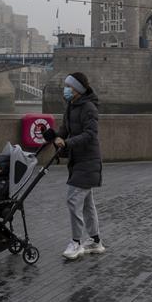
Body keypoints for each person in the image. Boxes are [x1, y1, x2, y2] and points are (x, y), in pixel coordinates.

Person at [54, 72, 105, 259]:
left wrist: (68, 143)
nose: (66, 89)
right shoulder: (71, 105)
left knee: (73, 200)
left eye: (69, 86)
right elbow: (65, 128)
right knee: (87, 204)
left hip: (88, 161)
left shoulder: (89, 108)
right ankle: (95, 241)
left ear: (78, 90)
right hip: (78, 161)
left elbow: (90, 134)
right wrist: (56, 136)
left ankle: (76, 243)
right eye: (66, 86)